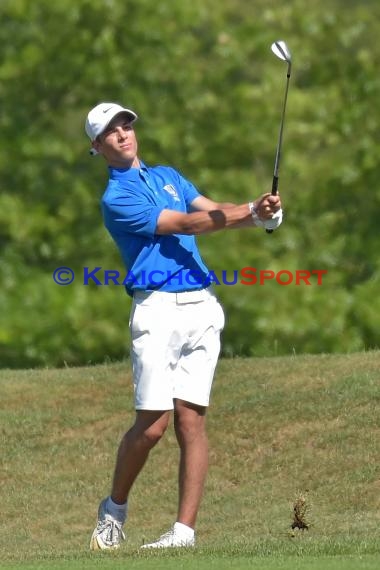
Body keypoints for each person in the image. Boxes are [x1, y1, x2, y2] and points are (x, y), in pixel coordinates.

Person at [85, 102, 282, 551]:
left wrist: (261, 214)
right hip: (157, 308)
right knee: (153, 426)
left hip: (201, 307)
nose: (122, 134)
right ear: (97, 147)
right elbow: (188, 223)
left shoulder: (170, 176)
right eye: (110, 132)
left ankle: (183, 534)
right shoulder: (117, 198)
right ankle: (114, 509)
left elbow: (215, 209)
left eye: (126, 125)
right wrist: (249, 211)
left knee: (191, 422)